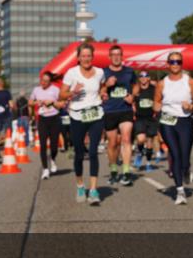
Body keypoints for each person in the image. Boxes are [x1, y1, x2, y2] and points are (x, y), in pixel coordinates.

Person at [60, 43, 107, 205]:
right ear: (78, 58)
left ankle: (93, 190)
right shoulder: (71, 73)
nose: (86, 58)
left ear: (92, 57)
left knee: (93, 152)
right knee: (79, 153)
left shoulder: (100, 72)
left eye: (89, 56)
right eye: (83, 56)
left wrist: (103, 93)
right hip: (77, 115)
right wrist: (73, 92)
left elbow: (102, 88)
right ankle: (80, 185)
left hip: (95, 114)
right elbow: (61, 94)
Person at [154, 51, 193, 205]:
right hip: (167, 121)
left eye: (178, 62)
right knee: (174, 154)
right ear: (168, 65)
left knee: (185, 157)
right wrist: (156, 107)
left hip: (184, 121)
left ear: (182, 64)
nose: (175, 65)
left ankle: (186, 169)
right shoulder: (162, 83)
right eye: (172, 62)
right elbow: (156, 102)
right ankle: (180, 191)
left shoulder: (190, 81)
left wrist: (191, 106)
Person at [102, 44, 137, 186]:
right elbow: (98, 91)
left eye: (118, 54)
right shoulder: (103, 72)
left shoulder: (129, 71)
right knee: (112, 143)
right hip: (110, 111)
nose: (116, 57)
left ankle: (127, 172)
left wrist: (133, 96)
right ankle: (114, 170)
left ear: (122, 56)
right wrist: (106, 86)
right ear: (109, 57)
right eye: (113, 55)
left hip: (125, 110)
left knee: (126, 139)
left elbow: (136, 85)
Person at [30, 71, 65, 179]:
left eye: (46, 81)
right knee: (43, 145)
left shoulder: (55, 90)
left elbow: (61, 104)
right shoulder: (36, 90)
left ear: (50, 82)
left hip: (54, 119)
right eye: (42, 80)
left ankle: (52, 159)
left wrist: (52, 103)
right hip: (43, 120)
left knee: (54, 146)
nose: (43, 83)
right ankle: (45, 169)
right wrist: (37, 103)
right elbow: (30, 102)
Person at [132, 71, 158, 171]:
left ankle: (148, 163)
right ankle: (139, 152)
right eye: (141, 76)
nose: (143, 78)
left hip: (151, 118)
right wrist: (133, 108)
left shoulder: (153, 89)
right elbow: (132, 100)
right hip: (139, 118)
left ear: (148, 78)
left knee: (150, 142)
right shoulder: (136, 89)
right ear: (139, 78)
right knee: (141, 139)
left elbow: (158, 99)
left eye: (145, 76)